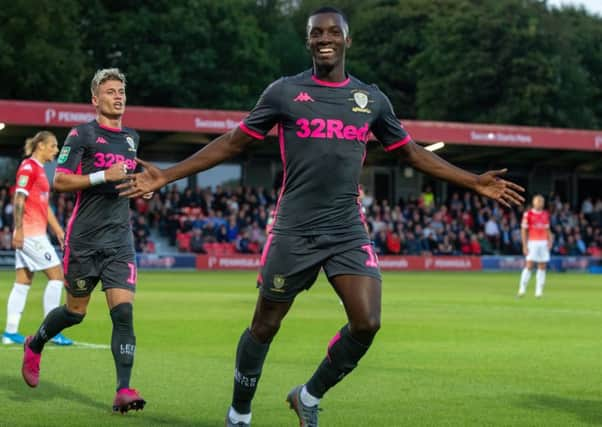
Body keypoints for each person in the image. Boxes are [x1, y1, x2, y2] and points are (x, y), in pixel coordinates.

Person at [119, 7, 524, 426]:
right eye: (317, 33)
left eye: (333, 32)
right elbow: (232, 144)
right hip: (294, 228)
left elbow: (411, 153)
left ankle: (308, 396)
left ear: (348, 41)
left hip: (347, 227)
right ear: (308, 41)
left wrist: (473, 182)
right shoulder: (284, 93)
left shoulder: (372, 100)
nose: (324, 38)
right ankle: (239, 411)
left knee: (367, 322)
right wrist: (167, 175)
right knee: (264, 326)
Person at [21, 68, 147, 414]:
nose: (118, 96)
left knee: (123, 314)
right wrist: (101, 175)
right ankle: (36, 343)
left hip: (119, 240)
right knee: (76, 312)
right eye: (110, 91)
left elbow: (125, 180)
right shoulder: (81, 135)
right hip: (84, 239)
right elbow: (60, 181)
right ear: (95, 99)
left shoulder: (132, 138)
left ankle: (123, 389)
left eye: (121, 90)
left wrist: (140, 186)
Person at [2, 131, 72, 346]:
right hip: (31, 234)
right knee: (57, 276)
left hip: (36, 232)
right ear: (41, 145)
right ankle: (51, 331)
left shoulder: (40, 171)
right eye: (53, 146)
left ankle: (10, 332)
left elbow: (44, 207)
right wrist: (19, 230)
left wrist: (59, 231)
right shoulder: (28, 167)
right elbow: (18, 198)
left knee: (23, 282)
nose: (56, 150)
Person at [517, 194, 553, 298]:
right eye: (538, 201)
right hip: (532, 242)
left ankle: (539, 291)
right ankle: (522, 289)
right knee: (529, 265)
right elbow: (523, 230)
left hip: (543, 243)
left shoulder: (545, 214)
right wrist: (524, 245)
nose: (540, 203)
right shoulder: (528, 214)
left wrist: (550, 240)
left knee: (542, 266)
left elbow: (547, 229)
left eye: (541, 201)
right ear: (533, 202)